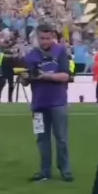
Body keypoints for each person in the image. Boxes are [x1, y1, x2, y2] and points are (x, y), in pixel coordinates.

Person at [23, 22, 73, 183]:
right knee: (42, 139)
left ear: (53, 37)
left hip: (58, 102)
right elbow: (27, 79)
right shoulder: (31, 55)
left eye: (47, 38)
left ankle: (65, 169)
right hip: (38, 104)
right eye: (42, 38)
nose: (45, 41)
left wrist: (45, 76)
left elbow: (66, 76)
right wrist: (24, 78)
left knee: (61, 138)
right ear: (37, 38)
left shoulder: (60, 51)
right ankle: (45, 171)